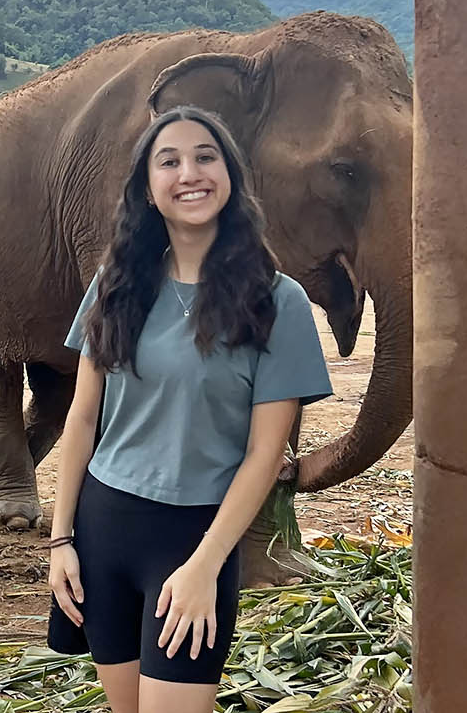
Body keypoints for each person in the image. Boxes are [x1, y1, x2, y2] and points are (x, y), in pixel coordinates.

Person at [45, 104, 333, 713]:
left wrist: (207, 564)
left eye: (206, 157)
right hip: (103, 528)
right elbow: (82, 419)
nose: (189, 173)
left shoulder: (278, 301)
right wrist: (60, 540)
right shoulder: (116, 285)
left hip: (196, 536)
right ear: (148, 190)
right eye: (168, 161)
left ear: (230, 177)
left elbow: (264, 453)